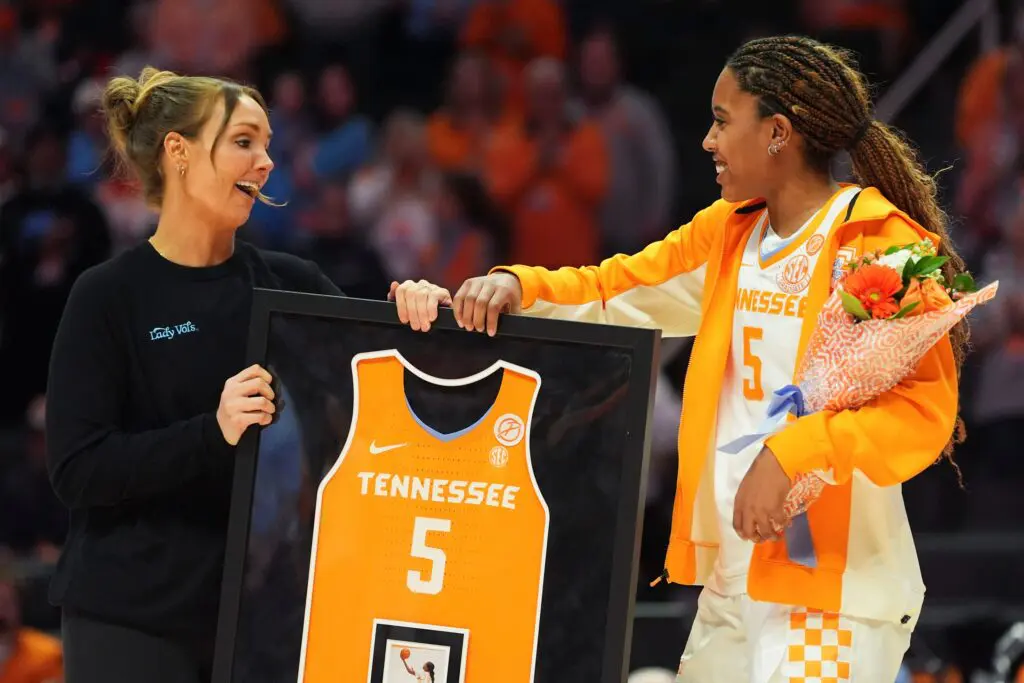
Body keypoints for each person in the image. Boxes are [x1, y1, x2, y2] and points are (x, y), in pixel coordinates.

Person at [390, 35, 968, 682]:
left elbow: (923, 412)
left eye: (723, 121)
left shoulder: (879, 241)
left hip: (829, 594)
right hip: (733, 585)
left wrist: (796, 453)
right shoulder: (728, 231)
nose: (708, 141)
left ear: (777, 133)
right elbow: (615, 291)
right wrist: (516, 287)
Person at [44, 67, 343, 683]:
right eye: (243, 141)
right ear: (178, 151)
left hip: (264, 619)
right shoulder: (108, 296)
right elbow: (78, 468)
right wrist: (212, 432)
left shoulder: (292, 286)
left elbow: (382, 379)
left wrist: (416, 311)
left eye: (267, 145)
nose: (266, 162)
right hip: (131, 615)